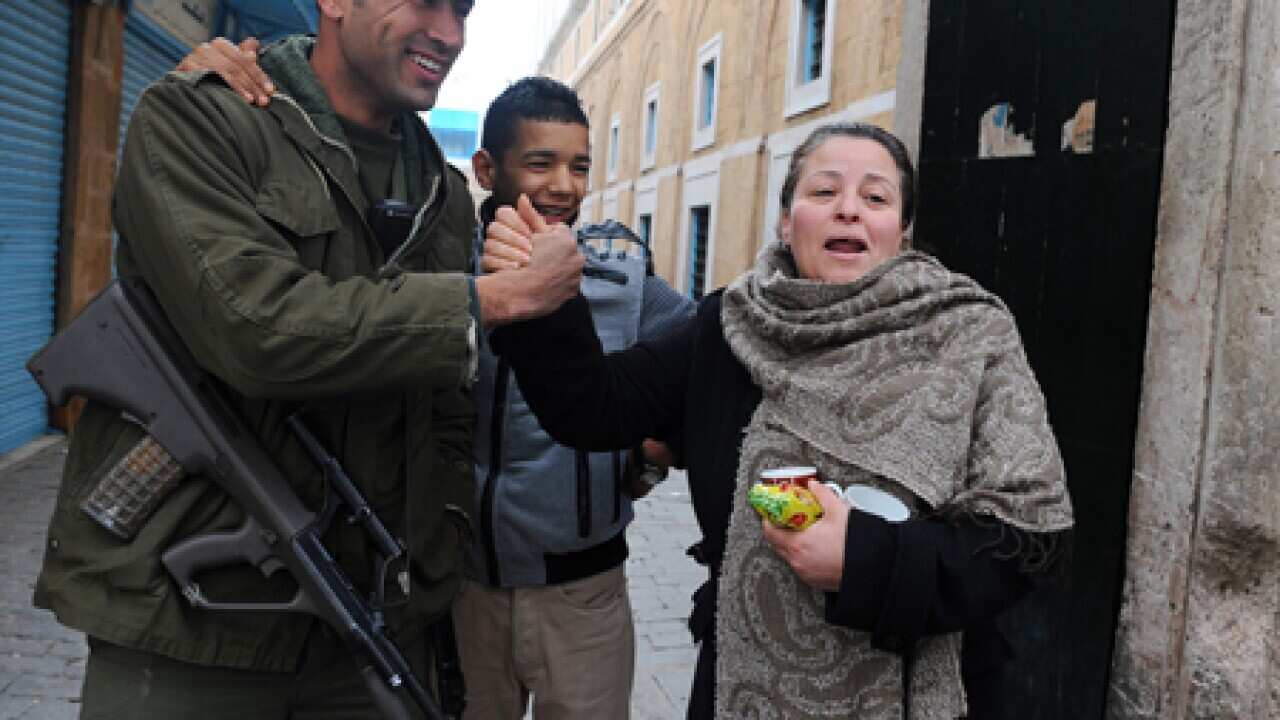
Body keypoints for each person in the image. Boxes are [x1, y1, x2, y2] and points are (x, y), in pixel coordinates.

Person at [34, 2, 583, 718]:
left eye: (462, 10)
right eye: (423, 2)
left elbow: (441, 405)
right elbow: (258, 329)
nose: (448, 35)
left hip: (367, 631)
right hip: (191, 631)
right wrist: (485, 302)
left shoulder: (441, 194)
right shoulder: (206, 118)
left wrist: (432, 574)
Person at [481, 123, 1075, 719]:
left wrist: (866, 561)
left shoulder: (969, 334)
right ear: (786, 222)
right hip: (739, 687)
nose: (848, 210)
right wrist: (542, 298)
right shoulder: (727, 329)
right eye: (823, 193)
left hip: (920, 688)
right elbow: (594, 409)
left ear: (902, 231)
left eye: (875, 197)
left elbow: (1030, 539)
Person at [171, 43, 695, 718]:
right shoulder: (436, 270)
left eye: (580, 166)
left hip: (583, 595)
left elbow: (696, 362)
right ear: (486, 167)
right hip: (461, 592)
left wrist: (654, 456)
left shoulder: (621, 281)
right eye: (541, 162)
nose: (564, 184)